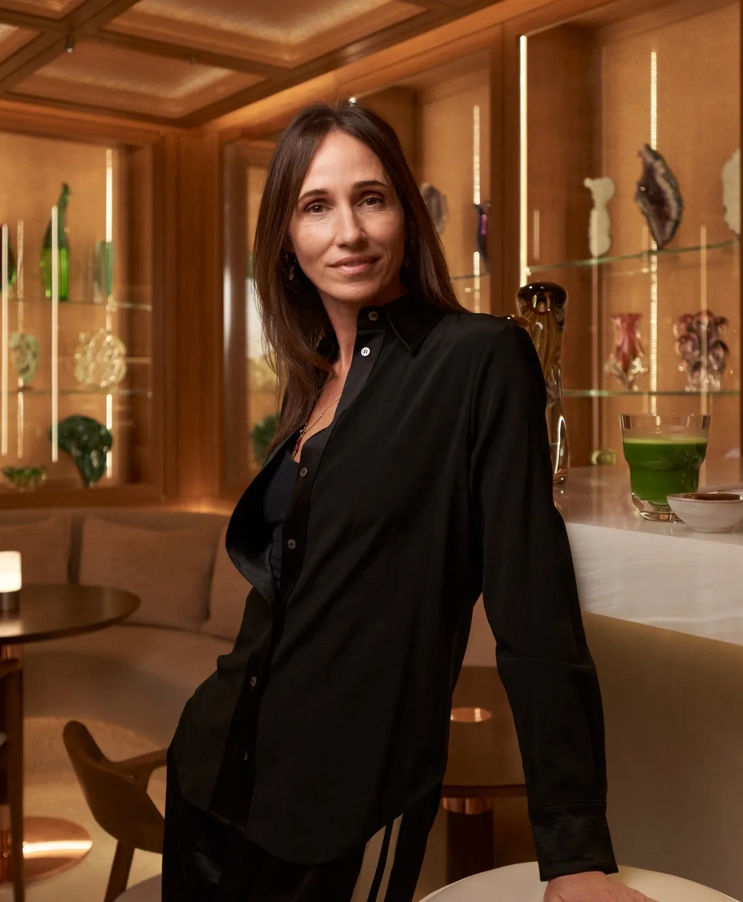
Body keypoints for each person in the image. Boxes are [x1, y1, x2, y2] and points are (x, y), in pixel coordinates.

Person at [162, 99, 657, 902]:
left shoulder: (480, 361)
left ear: (405, 213)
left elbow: (535, 611)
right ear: (286, 242)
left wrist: (574, 853)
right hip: (209, 778)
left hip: (347, 811)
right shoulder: (314, 380)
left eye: (370, 198)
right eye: (315, 207)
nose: (348, 232)